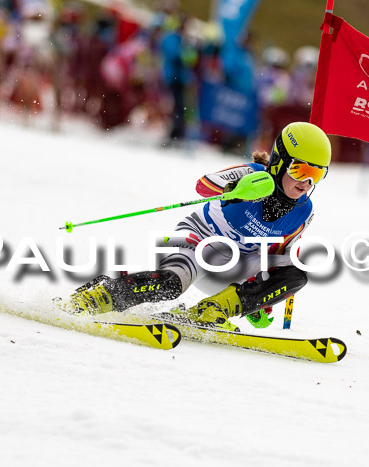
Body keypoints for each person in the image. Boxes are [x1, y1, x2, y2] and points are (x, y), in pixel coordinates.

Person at [59, 122, 332, 331]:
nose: (307, 183)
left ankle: (213, 309)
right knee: (170, 285)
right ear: (280, 161)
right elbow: (203, 185)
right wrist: (235, 190)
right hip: (199, 241)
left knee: (296, 274)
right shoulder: (253, 174)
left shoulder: (304, 213)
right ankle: (103, 294)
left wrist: (259, 298)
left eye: (317, 174)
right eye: (301, 171)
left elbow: (277, 254)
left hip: (236, 264)